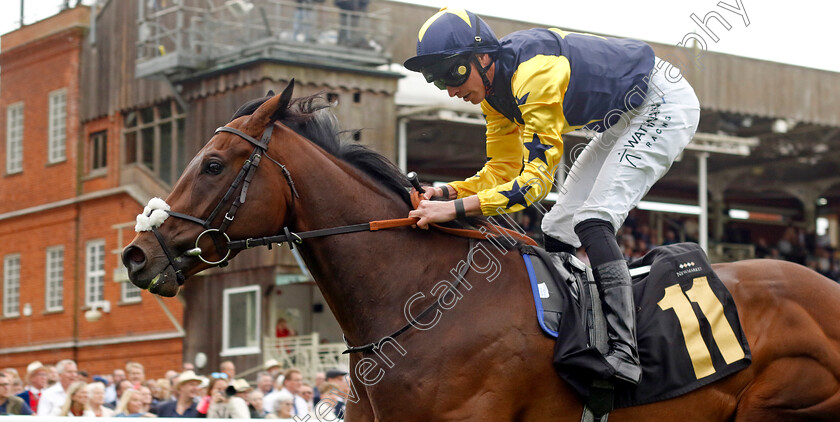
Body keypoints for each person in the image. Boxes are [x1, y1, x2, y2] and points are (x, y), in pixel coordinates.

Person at [404, 7, 700, 386]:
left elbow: (534, 184)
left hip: (661, 103)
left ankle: (624, 352)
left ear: (483, 56)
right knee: (557, 224)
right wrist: (446, 191)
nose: (450, 89)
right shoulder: (494, 96)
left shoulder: (534, 74)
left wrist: (455, 208)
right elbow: (503, 170)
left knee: (593, 219)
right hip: (623, 116)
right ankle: (572, 333)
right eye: (436, 79)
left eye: (453, 72)